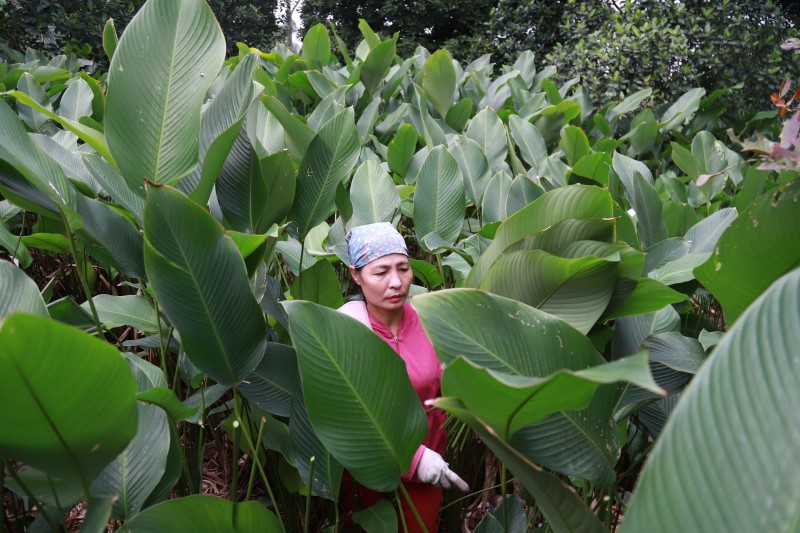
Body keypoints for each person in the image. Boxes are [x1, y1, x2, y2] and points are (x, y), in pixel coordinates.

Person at [338, 222, 468, 532]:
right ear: (355, 274)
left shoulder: (432, 320)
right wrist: (413, 458)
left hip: (428, 472)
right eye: (380, 273)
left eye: (403, 269)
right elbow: (350, 414)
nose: (396, 282)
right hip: (367, 474)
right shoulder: (346, 331)